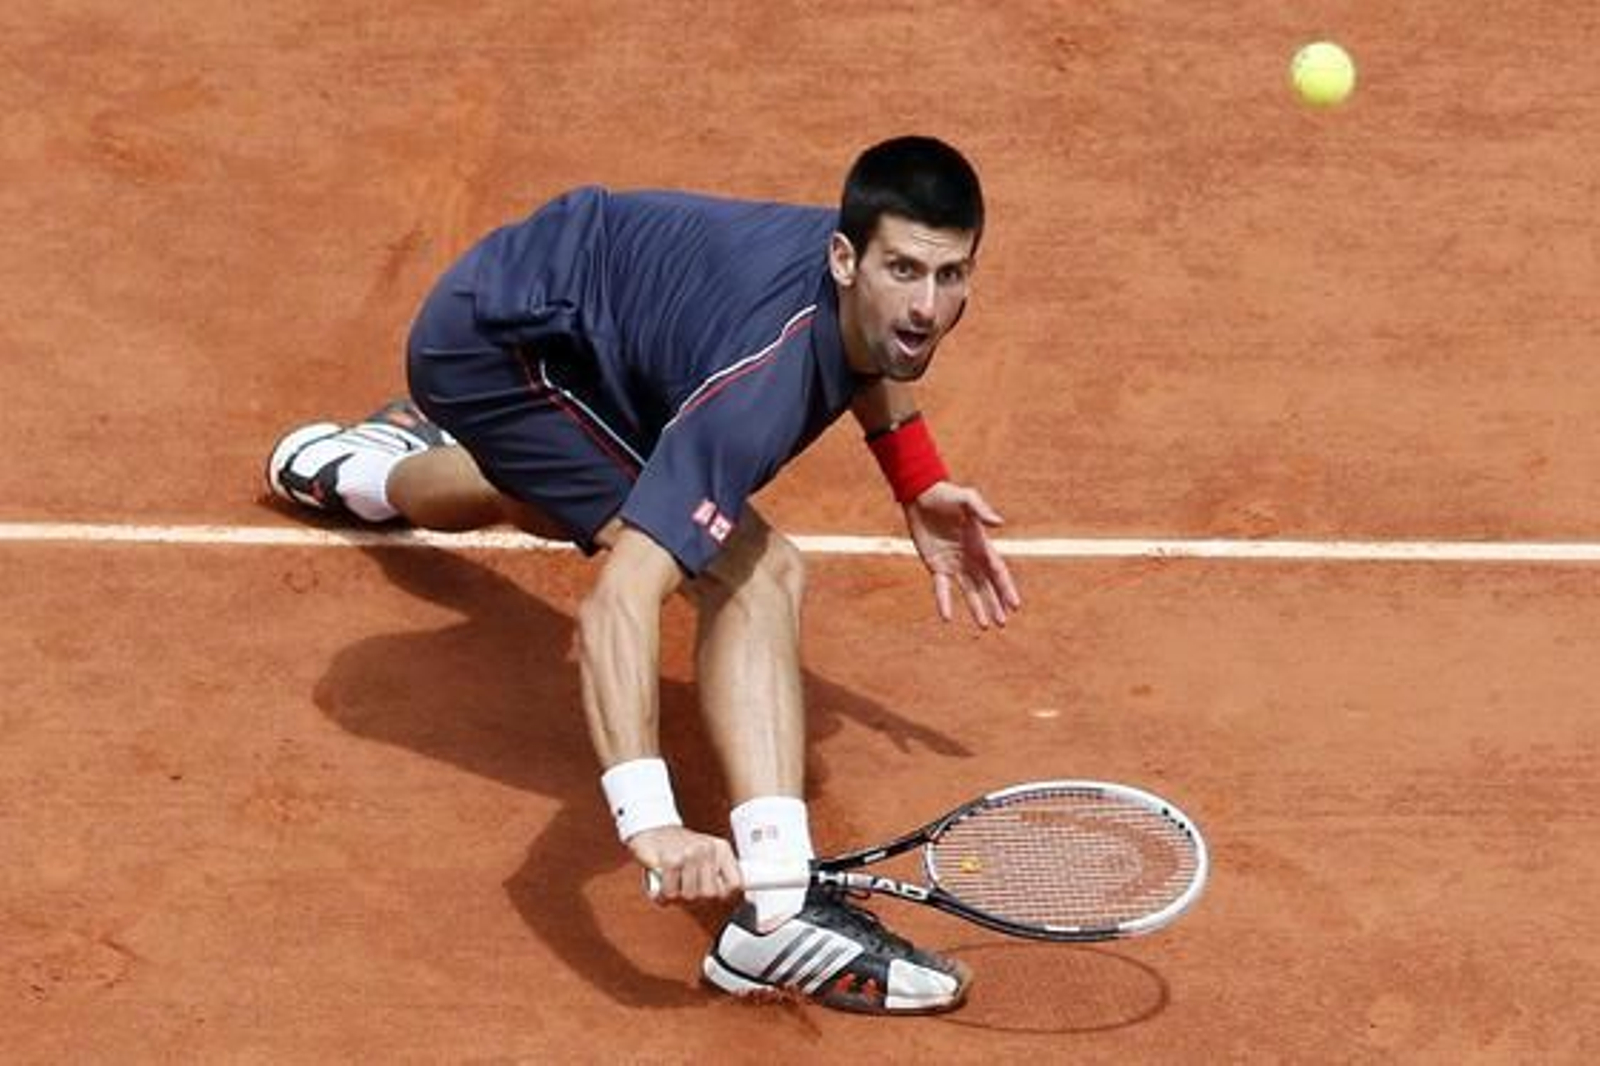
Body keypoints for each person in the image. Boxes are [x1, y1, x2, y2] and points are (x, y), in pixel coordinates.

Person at [266, 136, 1021, 1014]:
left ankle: (359, 474)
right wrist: (650, 822)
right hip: (504, 351)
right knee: (756, 570)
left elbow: (879, 344)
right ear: (845, 256)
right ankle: (776, 916)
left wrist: (917, 475)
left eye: (951, 275)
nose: (928, 305)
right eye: (905, 271)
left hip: (598, 326)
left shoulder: (863, 279)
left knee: (553, 499)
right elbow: (619, 604)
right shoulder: (756, 386)